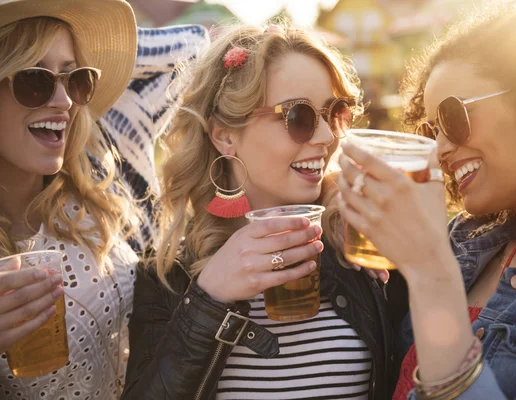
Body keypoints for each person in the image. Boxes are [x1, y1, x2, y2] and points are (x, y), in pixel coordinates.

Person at [123, 24, 408, 400]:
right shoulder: (168, 275)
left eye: (335, 112)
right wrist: (209, 299)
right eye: (299, 117)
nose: (325, 137)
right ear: (224, 134)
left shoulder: (364, 247)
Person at [337, 0, 516, 399]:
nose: (439, 148)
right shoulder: (463, 240)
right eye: (431, 128)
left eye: (453, 117)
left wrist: (431, 273)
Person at [0, 1, 208, 398]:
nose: (64, 102)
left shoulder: (102, 181)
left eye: (76, 79)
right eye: (35, 80)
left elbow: (195, 47)